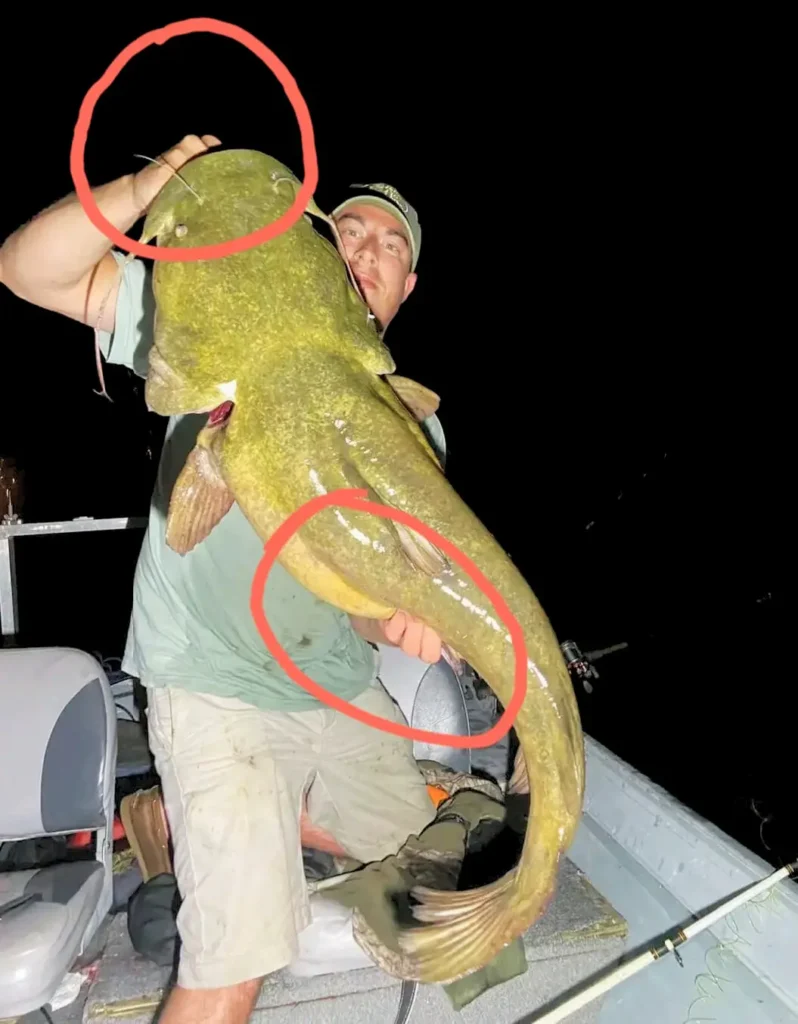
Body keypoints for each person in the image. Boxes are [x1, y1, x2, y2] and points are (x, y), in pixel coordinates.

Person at [0, 134, 446, 1024]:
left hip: (340, 694)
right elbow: (26, 269)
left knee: (444, 884)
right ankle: (226, 843)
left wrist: (396, 615)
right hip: (215, 688)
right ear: (316, 249)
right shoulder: (216, 318)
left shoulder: (414, 431)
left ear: (405, 292)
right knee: (233, 966)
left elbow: (352, 601)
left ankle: (217, 832)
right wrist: (140, 186)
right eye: (350, 232)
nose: (366, 251)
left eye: (390, 249)